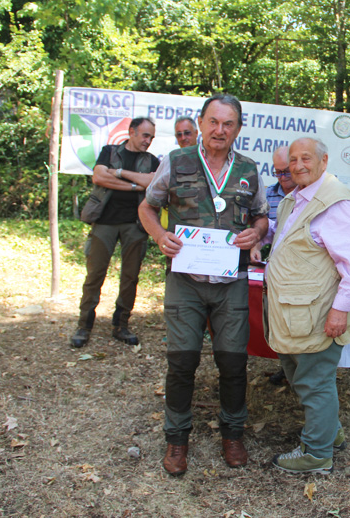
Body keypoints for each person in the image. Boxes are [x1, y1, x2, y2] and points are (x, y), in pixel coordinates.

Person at [138, 94, 269, 476]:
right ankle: (177, 440)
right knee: (182, 362)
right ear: (201, 122)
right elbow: (147, 206)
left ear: (238, 129)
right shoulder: (176, 161)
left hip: (231, 283)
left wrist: (255, 234)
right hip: (186, 281)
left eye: (228, 124)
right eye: (213, 122)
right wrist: (160, 235)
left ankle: (233, 434)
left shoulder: (248, 168)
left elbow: (261, 216)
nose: (220, 130)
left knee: (233, 362)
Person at [265, 137, 350, 474]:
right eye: (293, 160)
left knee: (315, 380)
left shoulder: (335, 202)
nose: (298, 165)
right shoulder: (294, 199)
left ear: (324, 160)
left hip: (318, 312)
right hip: (295, 313)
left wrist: (340, 310)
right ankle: (330, 432)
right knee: (300, 375)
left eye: (306, 158)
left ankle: (318, 453)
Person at [70, 117, 160, 348]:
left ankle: (121, 325)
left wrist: (118, 173)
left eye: (151, 137)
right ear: (131, 132)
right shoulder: (109, 151)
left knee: (130, 277)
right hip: (105, 222)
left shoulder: (152, 161)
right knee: (95, 275)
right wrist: (134, 184)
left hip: (136, 224)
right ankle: (84, 325)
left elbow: (151, 183)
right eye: (144, 135)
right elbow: (99, 176)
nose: (148, 141)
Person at [251, 145, 297, 386]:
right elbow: (266, 228)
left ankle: (304, 373)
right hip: (278, 270)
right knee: (277, 322)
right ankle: (286, 365)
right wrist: (256, 242)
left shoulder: (311, 193)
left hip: (303, 272)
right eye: (277, 172)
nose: (282, 178)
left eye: (286, 172)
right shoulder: (268, 194)